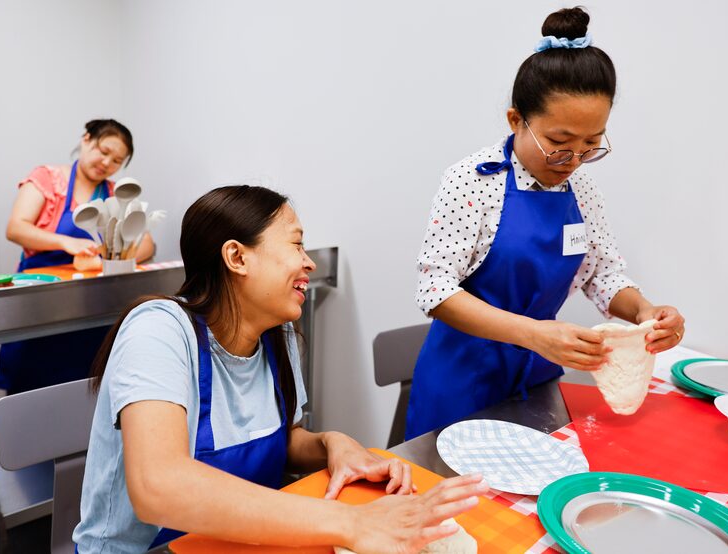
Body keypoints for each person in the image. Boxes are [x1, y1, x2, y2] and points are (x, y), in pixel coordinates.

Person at [73, 185, 488, 553]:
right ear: (237, 257)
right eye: (296, 245)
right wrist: (355, 523)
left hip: (242, 540)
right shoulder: (159, 331)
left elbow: (280, 438)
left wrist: (330, 443)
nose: (308, 263)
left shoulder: (278, 333)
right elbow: (158, 487)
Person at [405, 7, 686, 440]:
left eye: (590, 144)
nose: (572, 160)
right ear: (517, 120)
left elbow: (603, 275)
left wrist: (644, 312)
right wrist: (534, 334)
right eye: (558, 142)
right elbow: (435, 290)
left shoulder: (583, 189)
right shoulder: (472, 181)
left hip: (536, 381)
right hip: (462, 381)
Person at [0, 119, 155, 394]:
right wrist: (65, 241)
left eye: (117, 160)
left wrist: (109, 259)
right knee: (33, 388)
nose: (107, 163)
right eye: (103, 151)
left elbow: (147, 243)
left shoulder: (115, 193)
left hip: (91, 303)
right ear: (86, 139)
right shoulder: (47, 179)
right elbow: (16, 228)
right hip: (40, 298)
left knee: (83, 386)